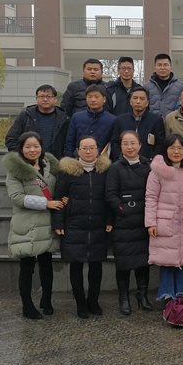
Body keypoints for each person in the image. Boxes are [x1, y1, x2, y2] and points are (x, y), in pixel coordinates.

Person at [3, 132, 63, 319]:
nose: (32, 150)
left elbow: (58, 190)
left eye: (36, 146)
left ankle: (47, 299)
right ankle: (27, 305)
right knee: (27, 266)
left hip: (47, 223)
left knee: (47, 264)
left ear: (41, 147)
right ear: (21, 149)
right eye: (27, 146)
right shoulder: (16, 170)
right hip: (27, 224)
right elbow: (17, 198)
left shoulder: (50, 166)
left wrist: (63, 199)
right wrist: (46, 203)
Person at [52, 136, 113, 319]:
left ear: (98, 150)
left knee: (96, 265)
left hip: (98, 225)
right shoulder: (68, 172)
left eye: (92, 147)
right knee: (76, 265)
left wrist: (109, 220)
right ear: (77, 151)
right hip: (74, 225)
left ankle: (93, 300)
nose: (88, 151)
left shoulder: (105, 171)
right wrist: (58, 223)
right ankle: (80, 302)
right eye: (84, 148)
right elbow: (59, 198)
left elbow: (110, 198)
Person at [144, 135, 183, 304]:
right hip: (164, 223)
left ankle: (181, 293)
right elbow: (150, 198)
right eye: (172, 148)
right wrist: (151, 223)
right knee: (166, 261)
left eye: (180, 148)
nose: (176, 152)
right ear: (165, 150)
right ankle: (167, 296)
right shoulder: (158, 171)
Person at [105, 130, 152, 315]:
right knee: (123, 263)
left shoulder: (148, 166)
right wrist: (122, 209)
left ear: (140, 145)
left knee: (143, 262)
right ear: (120, 146)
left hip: (143, 222)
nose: (130, 147)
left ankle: (142, 295)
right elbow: (110, 194)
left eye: (133, 143)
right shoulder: (115, 168)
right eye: (125, 144)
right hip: (123, 223)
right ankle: (123, 298)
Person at [5, 84, 69, 160]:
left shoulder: (64, 118)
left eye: (49, 96)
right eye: (41, 96)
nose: (45, 99)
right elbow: (11, 139)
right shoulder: (26, 116)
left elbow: (70, 142)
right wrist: (23, 157)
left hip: (56, 162)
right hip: (30, 162)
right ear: (36, 99)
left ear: (55, 99)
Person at [109, 87, 165, 161]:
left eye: (142, 99)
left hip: (148, 163)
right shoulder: (120, 120)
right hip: (123, 162)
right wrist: (120, 159)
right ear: (130, 101)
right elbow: (114, 142)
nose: (138, 101)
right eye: (135, 98)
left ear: (147, 103)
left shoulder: (156, 120)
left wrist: (151, 161)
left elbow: (160, 144)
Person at [64, 84, 117, 158]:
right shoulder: (76, 117)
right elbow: (69, 142)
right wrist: (70, 160)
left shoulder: (112, 119)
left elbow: (114, 145)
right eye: (90, 97)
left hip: (102, 161)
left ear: (104, 99)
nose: (93, 100)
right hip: (78, 160)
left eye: (96, 97)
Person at [143, 53, 183, 119]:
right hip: (153, 123)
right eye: (159, 65)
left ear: (171, 68)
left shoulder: (180, 87)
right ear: (155, 68)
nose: (162, 68)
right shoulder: (146, 87)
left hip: (173, 123)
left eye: (165, 65)